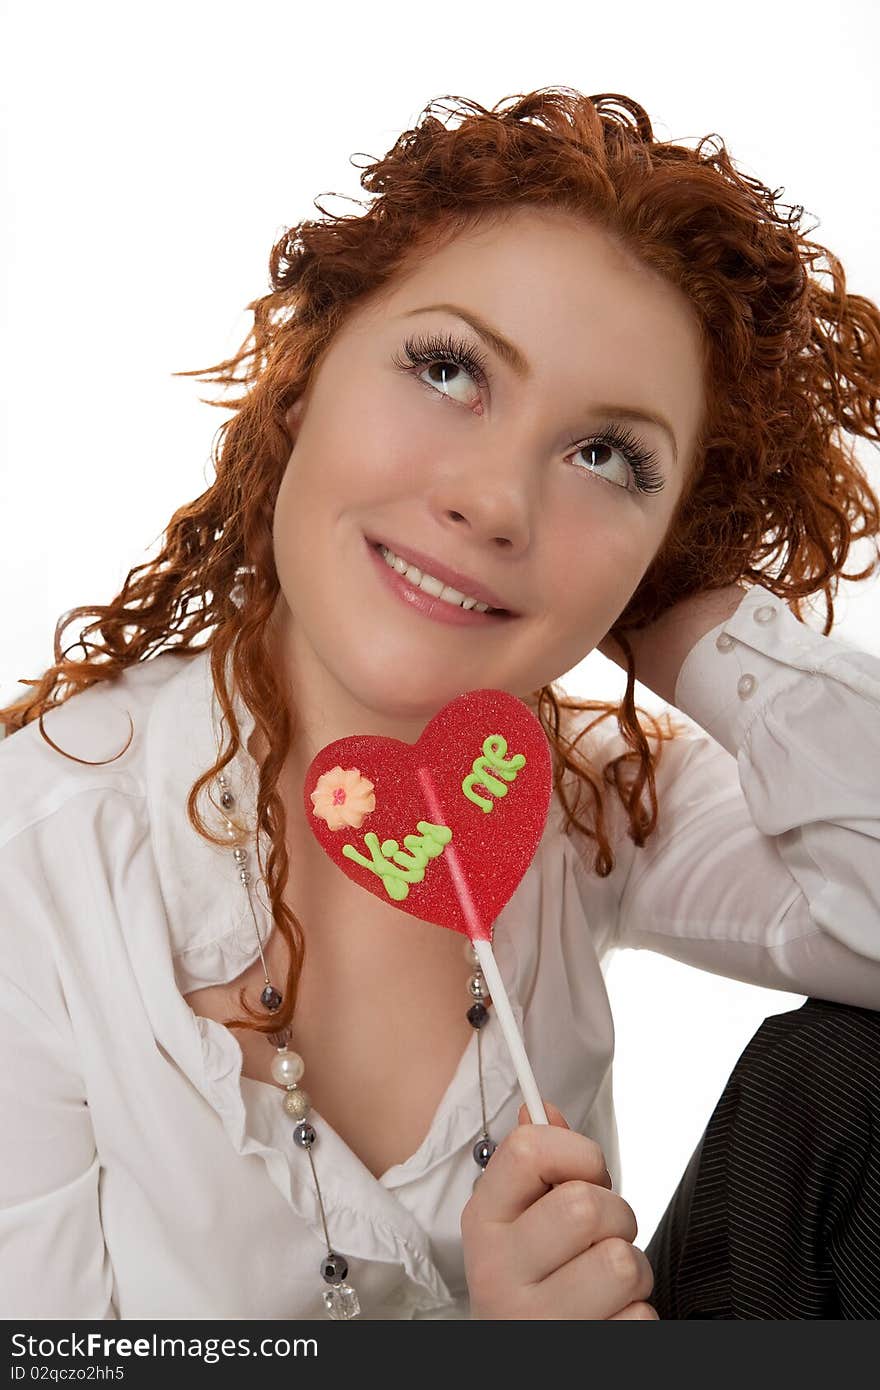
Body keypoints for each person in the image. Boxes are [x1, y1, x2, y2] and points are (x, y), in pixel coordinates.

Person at [1, 85, 879, 1321]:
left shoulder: (580, 792)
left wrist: (684, 621)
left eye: (606, 457)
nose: (496, 502)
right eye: (449, 368)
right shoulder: (36, 862)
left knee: (855, 1079)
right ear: (301, 379)